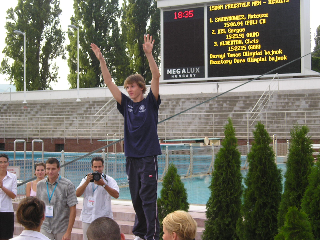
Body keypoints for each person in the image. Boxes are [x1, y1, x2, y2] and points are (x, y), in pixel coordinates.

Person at [91, 34, 161, 240]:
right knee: (136, 198)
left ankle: (152, 235)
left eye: (132, 86)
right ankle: (140, 232)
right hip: (131, 157)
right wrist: (102, 61)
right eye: (127, 87)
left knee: (148, 198)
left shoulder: (150, 102)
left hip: (148, 157)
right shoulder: (126, 104)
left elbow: (156, 77)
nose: (129, 89)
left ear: (141, 87)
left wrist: (149, 54)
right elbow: (108, 81)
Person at [76, 156, 120, 240]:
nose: (97, 169)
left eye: (99, 167)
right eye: (95, 167)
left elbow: (116, 195)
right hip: (88, 217)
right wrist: (86, 182)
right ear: (92, 167)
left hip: (103, 218)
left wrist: (103, 184)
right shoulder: (86, 179)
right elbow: (77, 194)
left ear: (103, 167)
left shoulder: (109, 180)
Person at [36, 158, 77, 240]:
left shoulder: (68, 185)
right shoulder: (40, 185)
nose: (50, 172)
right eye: (48, 169)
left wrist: (68, 232)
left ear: (58, 169)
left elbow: (73, 208)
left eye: (53, 169)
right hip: (45, 227)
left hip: (61, 228)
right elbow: (39, 206)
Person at [0, 153, 17, 240]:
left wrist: (2, 187)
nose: (3, 164)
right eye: (1, 162)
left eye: (4, 162)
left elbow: (13, 195)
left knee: (6, 237)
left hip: (7, 211)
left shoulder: (12, 177)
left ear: (8, 163)